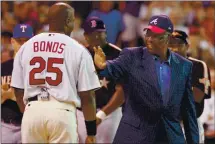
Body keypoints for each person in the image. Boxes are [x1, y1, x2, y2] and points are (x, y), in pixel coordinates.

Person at [94, 15, 199, 143]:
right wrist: (103, 66)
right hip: (135, 136)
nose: (149, 39)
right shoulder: (132, 56)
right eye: (148, 33)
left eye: (156, 35)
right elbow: (113, 67)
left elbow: (188, 112)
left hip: (170, 137)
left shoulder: (184, 66)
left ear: (168, 37)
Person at [11, 2, 100, 143]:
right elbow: (87, 96)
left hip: (32, 111)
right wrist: (91, 132)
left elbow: (17, 89)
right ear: (68, 21)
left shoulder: (26, 46)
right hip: (61, 112)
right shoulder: (78, 49)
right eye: (72, 20)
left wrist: (29, 113)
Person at [77, 17, 124, 143]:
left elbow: (122, 92)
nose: (96, 37)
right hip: (82, 114)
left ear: (106, 33)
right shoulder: (79, 54)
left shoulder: (119, 55)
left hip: (109, 114)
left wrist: (101, 115)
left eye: (99, 33)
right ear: (85, 36)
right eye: (92, 34)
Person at [169, 30, 211, 143]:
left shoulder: (198, 65)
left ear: (187, 46)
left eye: (179, 45)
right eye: (170, 45)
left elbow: (197, 96)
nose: (174, 49)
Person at [1, 24, 33, 143]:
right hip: (6, 127)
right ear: (12, 41)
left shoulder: (39, 69)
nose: (23, 45)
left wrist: (12, 96)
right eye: (20, 41)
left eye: (27, 41)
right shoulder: (3, 68)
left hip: (30, 127)